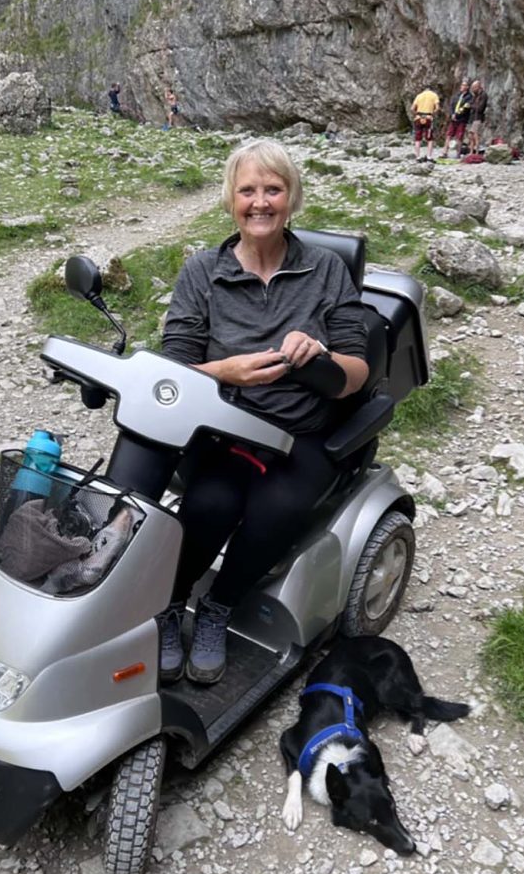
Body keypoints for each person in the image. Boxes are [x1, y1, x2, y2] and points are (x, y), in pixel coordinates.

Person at [159, 139, 369, 685]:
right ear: (231, 199)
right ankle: (169, 604)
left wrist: (322, 357)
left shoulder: (325, 270)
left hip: (302, 432)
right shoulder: (202, 272)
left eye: (272, 190)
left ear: (291, 198)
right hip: (228, 430)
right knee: (208, 504)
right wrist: (224, 372)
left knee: (278, 512)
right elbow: (172, 370)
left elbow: (358, 371)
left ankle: (218, 607)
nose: (260, 202)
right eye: (247, 190)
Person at [441, 79, 473, 159]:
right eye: (461, 85)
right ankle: (445, 152)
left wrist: (457, 114)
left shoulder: (469, 97)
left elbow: (465, 108)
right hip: (453, 118)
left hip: (462, 119)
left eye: (464, 85)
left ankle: (458, 153)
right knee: (449, 135)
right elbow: (452, 105)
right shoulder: (457, 96)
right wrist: (452, 114)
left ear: (467, 87)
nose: (461, 87)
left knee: (459, 136)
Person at [411, 85, 440, 162]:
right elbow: (437, 108)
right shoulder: (434, 95)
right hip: (428, 118)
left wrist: (417, 114)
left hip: (418, 118)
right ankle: (429, 157)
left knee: (418, 138)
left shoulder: (419, 96)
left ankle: (418, 157)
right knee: (430, 138)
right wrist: (432, 113)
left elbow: (412, 108)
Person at [467, 79, 489, 155]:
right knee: (470, 135)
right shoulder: (475, 96)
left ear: (478, 87)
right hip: (472, 117)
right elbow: (471, 103)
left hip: (478, 117)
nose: (472, 89)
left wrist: (471, 106)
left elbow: (480, 108)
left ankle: (476, 151)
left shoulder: (483, 95)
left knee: (475, 134)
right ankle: (471, 151)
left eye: (474, 87)